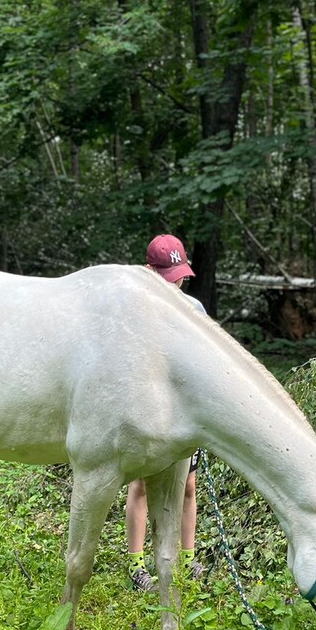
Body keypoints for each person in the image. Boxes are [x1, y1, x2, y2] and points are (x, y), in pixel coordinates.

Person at [126, 234, 205, 593]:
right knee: (141, 485)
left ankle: (189, 558)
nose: (176, 283)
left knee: (188, 486)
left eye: (179, 276)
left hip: (184, 418)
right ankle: (137, 564)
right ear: (150, 272)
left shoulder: (195, 310)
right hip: (149, 416)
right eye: (169, 276)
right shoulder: (135, 316)